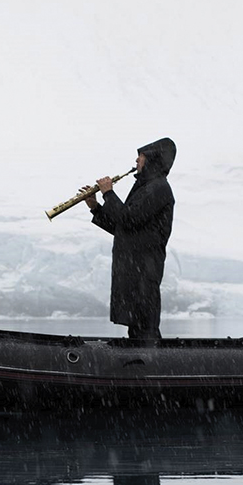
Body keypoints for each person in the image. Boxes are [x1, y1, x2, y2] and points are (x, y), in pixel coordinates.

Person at [83, 137, 176, 340]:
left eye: (141, 156)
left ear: (151, 160)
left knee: (145, 326)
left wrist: (108, 194)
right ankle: (140, 362)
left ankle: (150, 362)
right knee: (137, 326)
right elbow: (123, 228)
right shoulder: (146, 188)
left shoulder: (158, 188)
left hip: (144, 268)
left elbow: (129, 219)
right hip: (134, 269)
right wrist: (96, 208)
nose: (136, 160)